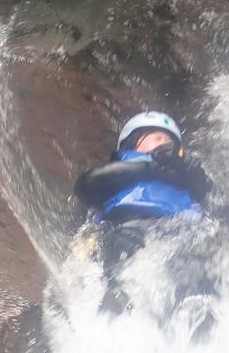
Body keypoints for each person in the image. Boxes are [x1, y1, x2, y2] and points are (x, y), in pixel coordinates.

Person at [74, 110, 212, 318]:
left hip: (182, 236)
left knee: (199, 268)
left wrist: (190, 167)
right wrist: (150, 167)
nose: (163, 143)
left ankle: (197, 313)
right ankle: (119, 301)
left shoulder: (187, 178)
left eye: (168, 141)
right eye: (156, 138)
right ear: (132, 143)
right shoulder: (123, 171)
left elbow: (215, 200)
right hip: (131, 227)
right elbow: (86, 185)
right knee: (122, 250)